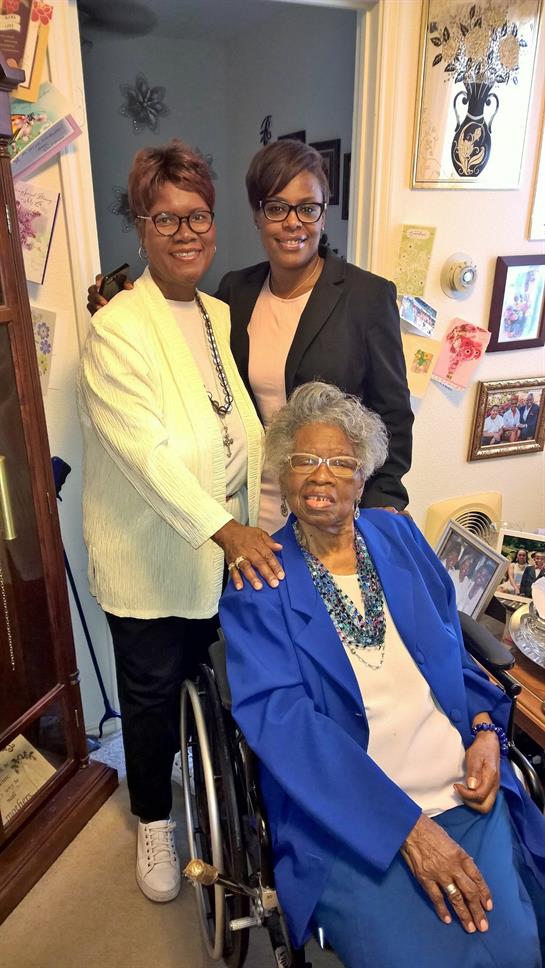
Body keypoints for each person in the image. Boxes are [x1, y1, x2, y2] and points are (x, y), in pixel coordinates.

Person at [220, 382, 544, 968]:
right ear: (283, 476)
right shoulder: (260, 582)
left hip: (459, 785)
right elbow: (285, 726)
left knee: (518, 946)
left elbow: (452, 646)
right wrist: (408, 831)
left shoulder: (398, 535)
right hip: (350, 817)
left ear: (363, 477)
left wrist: (484, 730)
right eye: (304, 460)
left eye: (340, 462)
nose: (321, 477)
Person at [77, 140, 285, 904]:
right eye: (166, 218)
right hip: (149, 557)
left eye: (197, 216)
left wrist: (256, 521)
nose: (185, 232)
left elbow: (232, 431)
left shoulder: (217, 314)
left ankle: (192, 775)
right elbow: (148, 455)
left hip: (216, 556)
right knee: (150, 695)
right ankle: (154, 821)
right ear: (141, 226)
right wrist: (226, 530)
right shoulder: (116, 329)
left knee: (206, 678)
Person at [88, 139, 413, 537]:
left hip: (336, 514)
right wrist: (123, 306)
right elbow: (181, 335)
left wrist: (380, 510)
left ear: (323, 215)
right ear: (258, 216)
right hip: (256, 512)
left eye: (308, 208)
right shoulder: (235, 294)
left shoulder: (367, 296)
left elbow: (394, 416)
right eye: (277, 208)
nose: (293, 223)